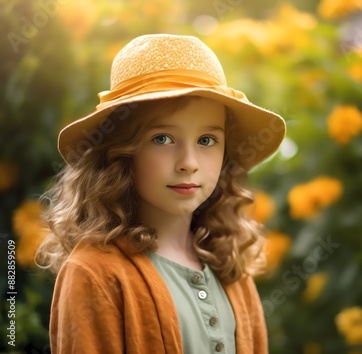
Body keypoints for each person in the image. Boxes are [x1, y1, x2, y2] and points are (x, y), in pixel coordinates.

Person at [35, 33, 286, 354]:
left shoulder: (229, 268)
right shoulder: (96, 273)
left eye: (207, 140)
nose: (188, 163)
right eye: (163, 139)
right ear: (120, 150)